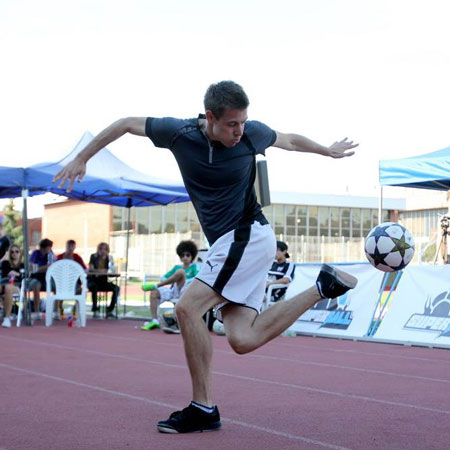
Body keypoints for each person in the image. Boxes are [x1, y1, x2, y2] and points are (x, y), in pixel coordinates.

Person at [54, 80, 359, 433]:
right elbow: (125, 123)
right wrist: (81, 157)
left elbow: (288, 139)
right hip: (231, 244)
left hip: (247, 234)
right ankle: (322, 287)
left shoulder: (251, 136)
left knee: (187, 307)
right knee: (242, 339)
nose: (239, 131)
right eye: (232, 124)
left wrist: (327, 150)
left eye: (243, 122)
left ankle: (203, 407)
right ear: (210, 117)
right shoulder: (179, 133)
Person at [141, 240, 199, 331]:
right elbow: (164, 277)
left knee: (180, 273)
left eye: (187, 255)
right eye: (182, 255)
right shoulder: (176, 267)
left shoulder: (194, 267)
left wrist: (182, 278)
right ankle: (155, 320)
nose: (185, 257)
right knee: (154, 293)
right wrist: (174, 279)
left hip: (186, 291)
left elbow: (197, 277)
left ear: (192, 256)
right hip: (174, 290)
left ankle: (156, 285)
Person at [87, 242, 119, 318]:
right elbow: (91, 270)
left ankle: (110, 310)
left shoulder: (109, 258)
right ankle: (95, 310)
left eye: (105, 249)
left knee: (116, 288)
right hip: (93, 281)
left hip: (103, 281)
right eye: (101, 249)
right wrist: (101, 271)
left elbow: (112, 270)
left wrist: (108, 270)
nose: (102, 251)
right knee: (94, 287)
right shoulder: (93, 256)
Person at [56, 239, 87, 317]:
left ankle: (75, 310)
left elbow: (84, 269)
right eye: (69, 246)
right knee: (58, 292)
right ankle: (59, 310)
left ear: (74, 247)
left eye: (72, 246)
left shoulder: (77, 257)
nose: (70, 248)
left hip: (75, 282)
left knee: (82, 291)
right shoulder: (59, 257)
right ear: (66, 247)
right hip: (61, 282)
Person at [29, 238, 55, 320]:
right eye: (48, 247)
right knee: (36, 285)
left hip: (47, 277)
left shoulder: (50, 254)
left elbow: (53, 265)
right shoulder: (35, 253)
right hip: (36, 277)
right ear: (43, 247)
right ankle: (37, 311)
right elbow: (33, 268)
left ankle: (56, 311)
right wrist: (45, 267)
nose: (50, 249)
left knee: (57, 284)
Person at [1, 244, 24, 328]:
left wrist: (17, 274)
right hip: (4, 283)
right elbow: (5, 274)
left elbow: (24, 277)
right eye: (12, 252)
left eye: (16, 251)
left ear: (20, 253)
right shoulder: (5, 263)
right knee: (6, 287)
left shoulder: (23, 265)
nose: (14, 253)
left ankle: (7, 318)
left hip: (17, 286)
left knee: (8, 287)